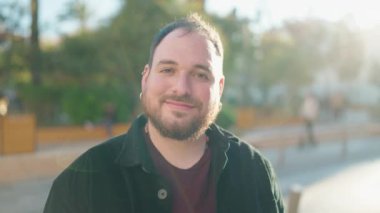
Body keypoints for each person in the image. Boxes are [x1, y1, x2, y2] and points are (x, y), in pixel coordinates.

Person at [44, 14, 284, 213]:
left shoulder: (255, 172)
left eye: (200, 74)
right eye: (168, 69)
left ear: (219, 88)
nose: (181, 88)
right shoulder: (82, 182)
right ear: (145, 78)